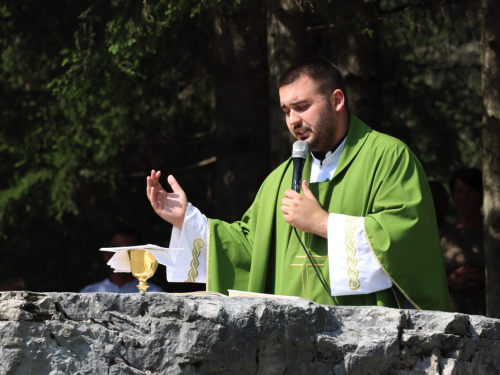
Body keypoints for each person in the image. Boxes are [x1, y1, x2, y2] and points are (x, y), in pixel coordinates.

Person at [146, 58, 450, 311]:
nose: (293, 120)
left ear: (337, 100)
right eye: (286, 111)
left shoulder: (387, 157)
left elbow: (405, 237)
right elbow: (252, 247)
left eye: (302, 107)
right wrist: (188, 221)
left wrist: (324, 223)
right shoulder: (280, 179)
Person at [440, 168, 485, 315]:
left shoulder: (493, 234)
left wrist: (486, 279)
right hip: (451, 315)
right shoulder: (442, 234)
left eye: (470, 191)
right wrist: (449, 281)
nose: (464, 197)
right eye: (459, 191)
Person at [80, 227, 164, 293]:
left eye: (130, 250)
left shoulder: (155, 293)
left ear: (140, 256)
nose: (122, 254)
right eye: (116, 249)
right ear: (106, 254)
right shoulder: (88, 293)